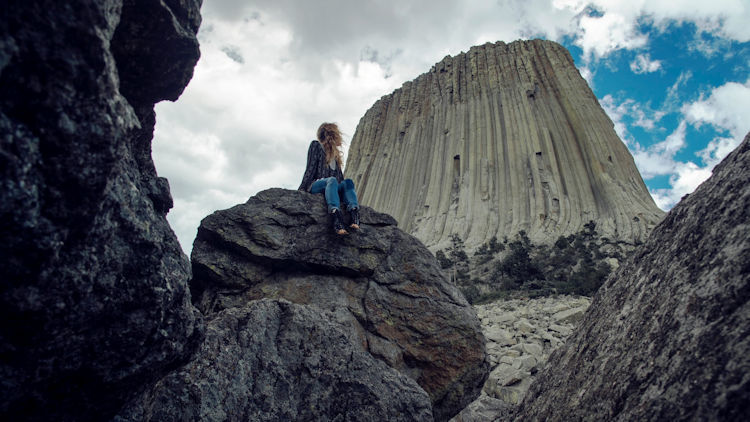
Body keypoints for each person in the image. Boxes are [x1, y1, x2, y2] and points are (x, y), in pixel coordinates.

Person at [299, 122, 360, 235]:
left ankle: (354, 214)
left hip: (332, 186)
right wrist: (301, 190)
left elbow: (340, 179)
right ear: (332, 134)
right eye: (338, 134)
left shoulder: (335, 156)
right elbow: (310, 169)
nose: (340, 137)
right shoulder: (316, 145)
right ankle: (336, 218)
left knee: (348, 182)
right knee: (331, 180)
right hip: (316, 185)